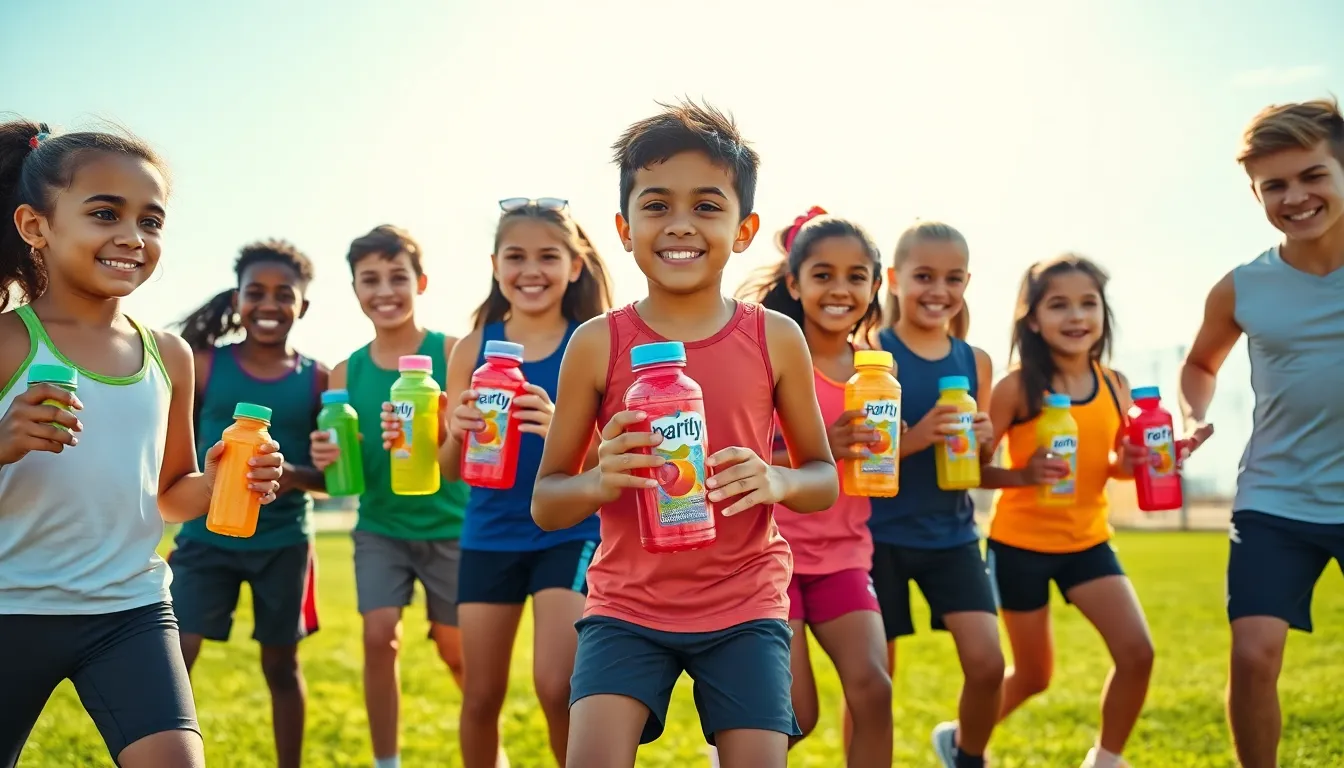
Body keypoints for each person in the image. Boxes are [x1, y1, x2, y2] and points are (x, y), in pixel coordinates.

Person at [531, 100, 840, 768]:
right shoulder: (596, 344)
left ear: (745, 227)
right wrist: (600, 478)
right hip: (625, 605)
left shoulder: (774, 338)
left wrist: (777, 478)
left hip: (746, 599)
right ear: (622, 226)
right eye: (655, 205)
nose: (679, 225)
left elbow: (822, 479)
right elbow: (548, 500)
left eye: (706, 206)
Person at [0, 119, 284, 768]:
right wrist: (4, 440)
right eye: (105, 213)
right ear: (34, 226)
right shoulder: (9, 343)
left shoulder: (170, 355)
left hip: (128, 609)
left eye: (151, 221)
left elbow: (171, 497)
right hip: (9, 605)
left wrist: (217, 483)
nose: (132, 237)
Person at [378, 199, 613, 767]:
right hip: (489, 534)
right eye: (516, 256)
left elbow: (616, 464)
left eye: (548, 257)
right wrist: (452, 432)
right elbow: (454, 467)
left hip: (569, 532)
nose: (530, 270)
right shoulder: (470, 347)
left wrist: (565, 430)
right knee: (481, 697)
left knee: (558, 687)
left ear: (575, 265)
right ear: (494, 264)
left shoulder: (593, 341)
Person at [1178, 97, 1344, 768]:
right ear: (1254, 193)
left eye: (1313, 176)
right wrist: (1193, 417)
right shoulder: (1242, 287)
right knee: (1252, 656)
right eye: (1274, 186)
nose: (1296, 197)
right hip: (1275, 497)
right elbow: (1198, 364)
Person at [983, 255, 1154, 768]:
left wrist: (1127, 464)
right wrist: (1023, 475)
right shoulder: (1015, 388)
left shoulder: (1115, 385)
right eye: (1059, 305)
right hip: (1019, 546)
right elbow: (968, 471)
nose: (1077, 316)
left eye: (1088, 303)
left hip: (1088, 542)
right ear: (1033, 319)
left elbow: (1109, 467)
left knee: (1137, 653)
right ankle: (965, 739)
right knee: (1034, 675)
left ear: (1103, 313)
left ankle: (1106, 759)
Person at [736, 208, 893, 767]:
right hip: (770, 557)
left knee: (875, 689)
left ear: (875, 287)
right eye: (822, 274)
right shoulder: (769, 356)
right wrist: (820, 443)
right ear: (794, 283)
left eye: (857, 276)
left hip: (845, 555)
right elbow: (735, 457)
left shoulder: (876, 373)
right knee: (796, 716)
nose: (840, 288)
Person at [308, 225, 469, 768]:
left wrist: (448, 424)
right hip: (380, 526)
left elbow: (478, 442)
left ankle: (486, 749)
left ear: (420, 282)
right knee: (380, 636)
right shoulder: (343, 371)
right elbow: (341, 466)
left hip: (451, 526)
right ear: (354, 290)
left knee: (458, 653)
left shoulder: (452, 352)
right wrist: (330, 459)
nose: (385, 291)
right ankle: (387, 762)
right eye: (369, 280)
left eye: (397, 277)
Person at [172, 239, 328, 768]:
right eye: (255, 292)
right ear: (237, 299)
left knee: (282, 668)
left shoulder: (317, 379)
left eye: (284, 294)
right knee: (174, 659)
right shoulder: (203, 367)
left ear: (302, 305)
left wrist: (292, 475)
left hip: (284, 544)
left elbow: (332, 479)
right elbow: (172, 454)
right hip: (203, 540)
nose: (269, 304)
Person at [864, 221, 1003, 768]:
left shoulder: (976, 362)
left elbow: (972, 464)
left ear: (967, 282)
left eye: (952, 278)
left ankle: (966, 755)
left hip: (952, 534)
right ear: (895, 279)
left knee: (988, 664)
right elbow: (860, 453)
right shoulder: (871, 352)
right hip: (875, 537)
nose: (938, 290)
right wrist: (918, 437)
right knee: (876, 681)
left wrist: (986, 445)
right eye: (923, 276)